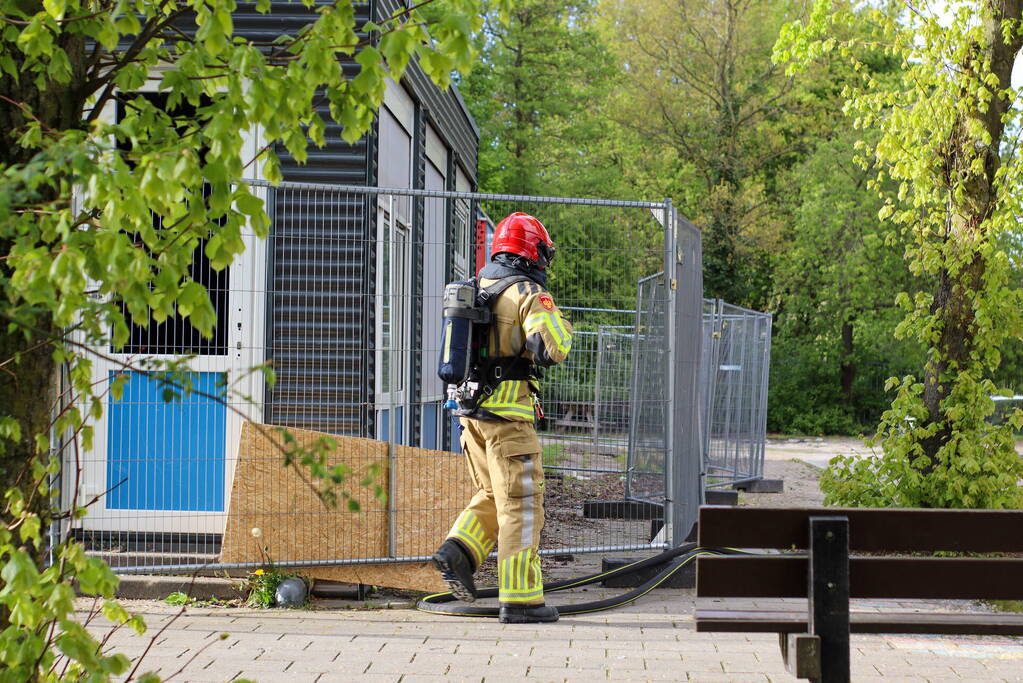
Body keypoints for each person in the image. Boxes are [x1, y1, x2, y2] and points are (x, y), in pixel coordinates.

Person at [432, 212, 573, 624]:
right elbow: (554, 347)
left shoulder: (478, 286)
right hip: (509, 421)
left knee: (494, 495)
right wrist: (559, 321)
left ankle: (457, 550)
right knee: (523, 507)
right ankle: (522, 601)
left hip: (470, 416)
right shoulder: (527, 291)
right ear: (534, 252)